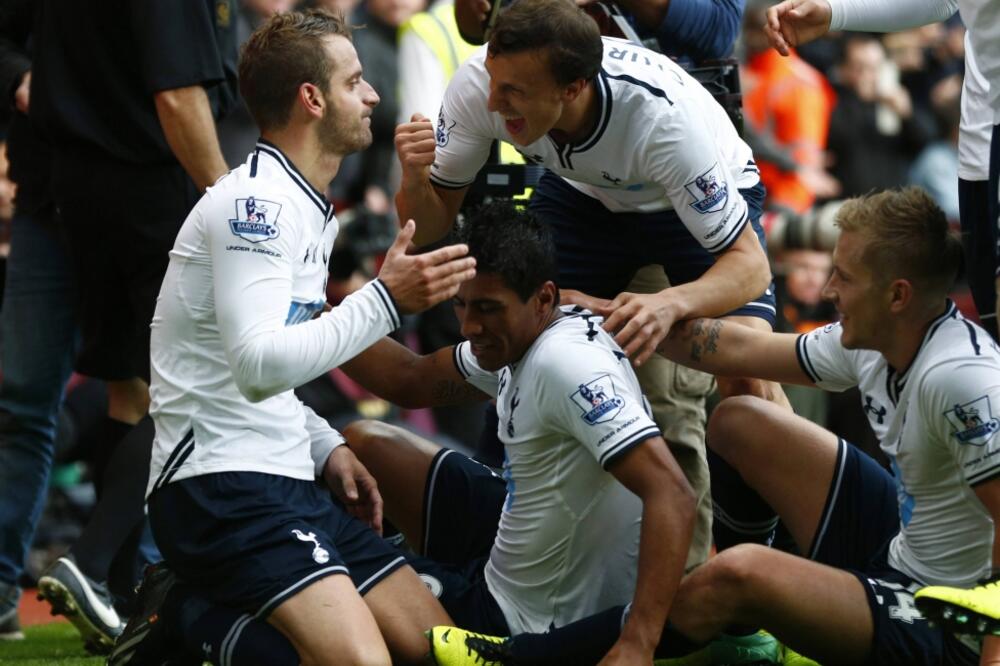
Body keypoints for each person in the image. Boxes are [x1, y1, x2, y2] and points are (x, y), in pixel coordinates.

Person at [433, 187, 999, 666]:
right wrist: (617, 310)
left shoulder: (961, 381)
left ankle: (520, 656)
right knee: (741, 420)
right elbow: (736, 348)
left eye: (843, 279)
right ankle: (747, 637)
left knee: (737, 574)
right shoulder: (882, 338)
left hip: (948, 618)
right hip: (904, 549)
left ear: (897, 295)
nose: (828, 291)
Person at [110, 10, 477, 666]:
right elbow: (256, 366)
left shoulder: (305, 205)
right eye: (354, 81)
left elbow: (253, 370)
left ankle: (202, 603)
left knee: (434, 651)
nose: (372, 94)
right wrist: (387, 299)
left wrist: (325, 444)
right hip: (218, 487)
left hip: (282, 477)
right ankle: (186, 614)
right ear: (311, 99)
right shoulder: (257, 209)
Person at [395, 0, 786, 571]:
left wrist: (667, 304)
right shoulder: (481, 81)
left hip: (681, 199)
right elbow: (428, 226)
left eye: (515, 94)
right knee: (517, 335)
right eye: (495, 84)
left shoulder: (662, 121)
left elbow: (751, 268)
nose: (494, 105)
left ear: (574, 87)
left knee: (745, 378)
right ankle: (494, 552)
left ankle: (755, 580)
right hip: (584, 194)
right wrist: (412, 177)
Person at [337, 199, 696, 666]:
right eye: (461, 305)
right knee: (368, 444)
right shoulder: (528, 334)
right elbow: (409, 378)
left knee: (335, 573)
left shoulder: (562, 364)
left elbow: (674, 494)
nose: (468, 327)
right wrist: (300, 316)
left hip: (526, 622)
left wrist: (637, 643)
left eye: (486, 308)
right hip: (518, 546)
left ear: (544, 298)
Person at [29, 0, 239, 649]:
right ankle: (91, 564)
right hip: (152, 187)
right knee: (193, 389)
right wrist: (228, 199)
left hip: (78, 188)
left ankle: (116, 599)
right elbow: (178, 97)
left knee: (130, 389)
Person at [762, 0, 999, 343]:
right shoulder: (841, 106)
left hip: (980, 149)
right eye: (860, 67)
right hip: (979, 151)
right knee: (989, 313)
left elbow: (921, 135)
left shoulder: (897, 106)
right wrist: (834, 12)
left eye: (873, 67)